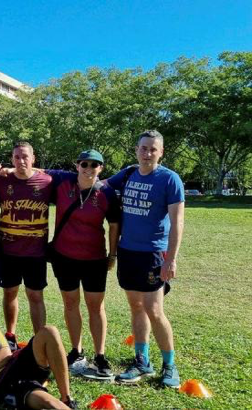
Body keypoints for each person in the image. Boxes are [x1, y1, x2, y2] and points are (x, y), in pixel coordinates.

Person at [106, 130, 185, 388]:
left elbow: (177, 222)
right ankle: (142, 361)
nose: (147, 153)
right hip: (127, 251)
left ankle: (169, 365)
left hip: (153, 253)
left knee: (154, 310)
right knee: (136, 307)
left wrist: (170, 259)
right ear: (136, 150)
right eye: (143, 148)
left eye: (153, 149)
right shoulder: (128, 174)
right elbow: (98, 183)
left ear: (161, 152)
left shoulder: (170, 179)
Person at [46, 150, 120, 378]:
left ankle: (100, 354)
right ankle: (76, 350)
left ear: (101, 168)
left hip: (94, 259)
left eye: (94, 165)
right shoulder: (63, 182)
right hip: (64, 256)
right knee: (70, 303)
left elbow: (115, 225)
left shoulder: (107, 193)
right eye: (84, 164)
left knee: (95, 306)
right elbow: (33, 170)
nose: (89, 169)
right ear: (77, 165)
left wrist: (113, 255)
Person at [0, 141, 53, 344]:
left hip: (35, 252)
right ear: (12, 159)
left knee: (35, 295)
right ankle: (10, 335)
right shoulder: (2, 180)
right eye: (17, 157)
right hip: (8, 250)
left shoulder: (46, 181)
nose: (21, 160)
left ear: (33, 158)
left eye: (25, 156)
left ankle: (40, 339)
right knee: (10, 292)